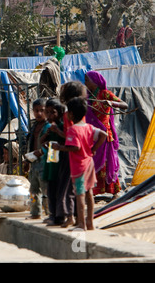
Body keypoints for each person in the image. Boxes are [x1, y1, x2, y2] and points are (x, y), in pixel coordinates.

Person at [52, 97, 107, 230]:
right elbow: (104, 134)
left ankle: (81, 223)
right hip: (90, 164)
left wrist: (59, 147)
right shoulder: (88, 127)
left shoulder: (73, 130)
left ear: (70, 114)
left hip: (79, 166)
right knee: (89, 193)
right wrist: (93, 149)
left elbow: (75, 147)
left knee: (80, 195)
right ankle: (90, 222)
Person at [84, 71, 128, 197]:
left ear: (95, 81)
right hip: (89, 135)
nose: (85, 83)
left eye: (87, 80)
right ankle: (91, 191)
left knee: (107, 163)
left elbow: (124, 105)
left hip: (104, 135)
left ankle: (115, 192)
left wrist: (111, 103)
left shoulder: (105, 94)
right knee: (90, 162)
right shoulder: (86, 96)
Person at [56, 80, 88, 228]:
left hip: (71, 157)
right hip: (85, 157)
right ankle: (84, 219)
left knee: (67, 188)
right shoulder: (83, 115)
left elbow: (70, 138)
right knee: (82, 190)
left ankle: (69, 217)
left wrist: (57, 135)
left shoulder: (69, 115)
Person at [40, 98, 65, 226]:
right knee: (51, 188)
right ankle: (52, 214)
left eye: (52, 113)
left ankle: (60, 216)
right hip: (51, 160)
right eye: (47, 113)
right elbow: (41, 141)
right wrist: (46, 138)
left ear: (60, 112)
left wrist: (58, 132)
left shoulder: (62, 126)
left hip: (60, 162)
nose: (49, 116)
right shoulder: (49, 127)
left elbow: (68, 139)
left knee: (59, 188)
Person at [26, 98, 51, 220]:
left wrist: (39, 153)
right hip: (34, 162)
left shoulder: (49, 127)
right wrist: (27, 160)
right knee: (33, 190)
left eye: (42, 110)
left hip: (45, 162)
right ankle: (35, 212)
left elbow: (50, 144)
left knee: (46, 190)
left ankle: (50, 214)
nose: (39, 113)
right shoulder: (34, 126)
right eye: (36, 111)